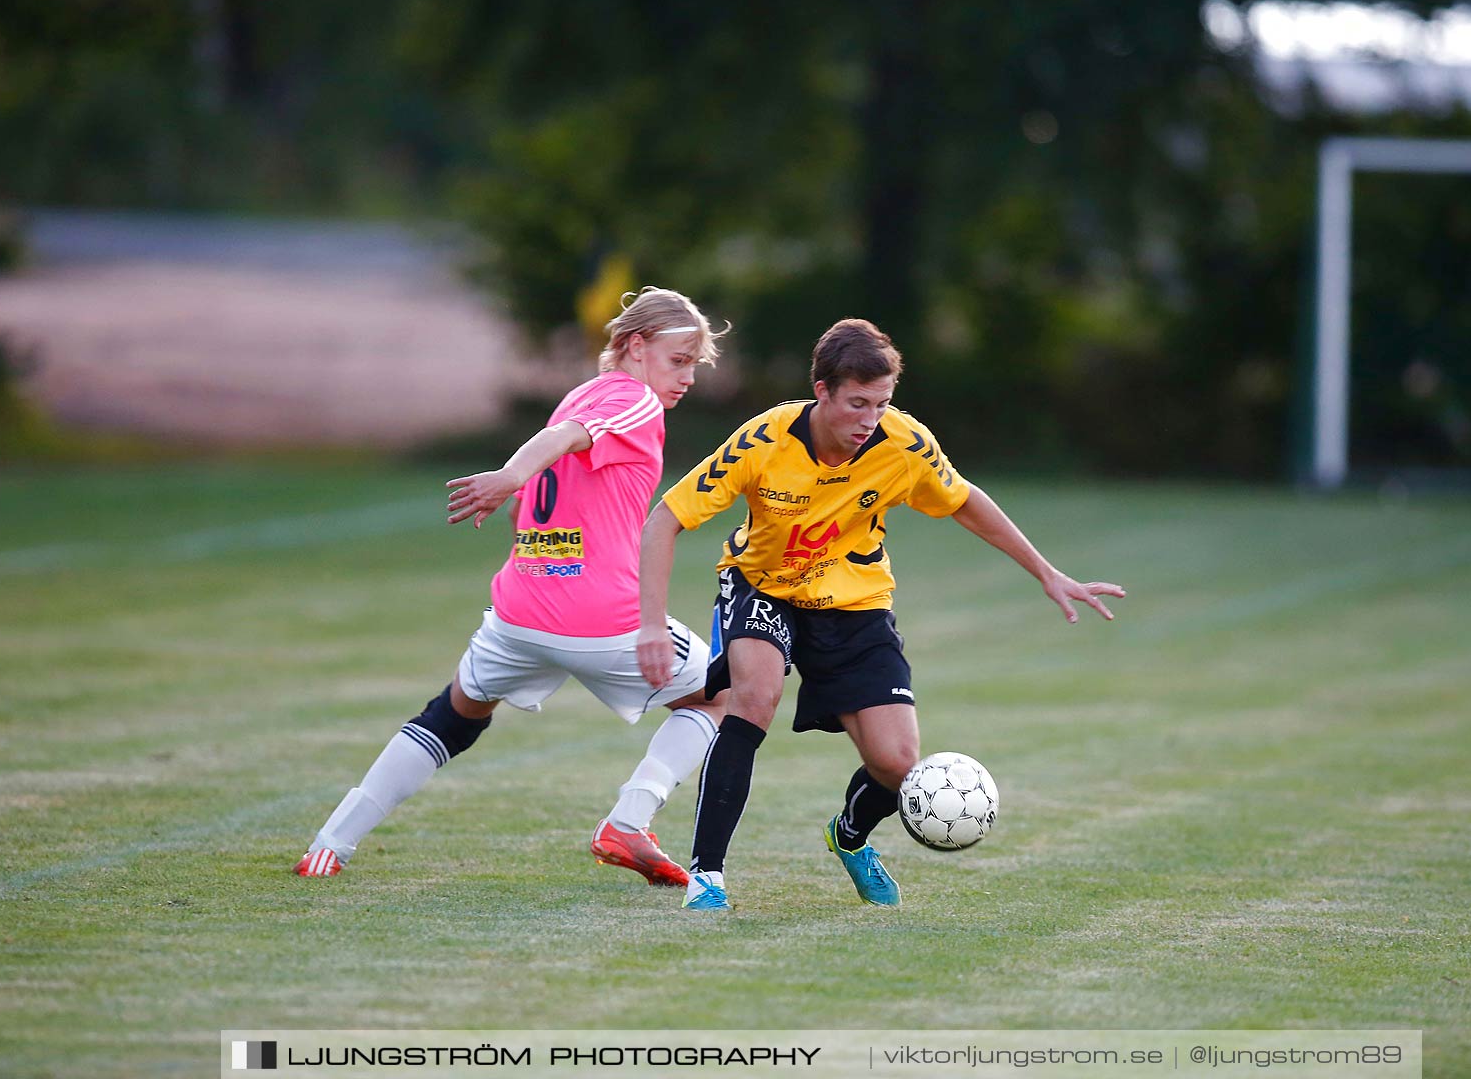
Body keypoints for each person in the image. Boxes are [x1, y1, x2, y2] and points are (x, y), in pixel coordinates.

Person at [636, 318, 1124, 910]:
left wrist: (1047, 572)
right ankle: (708, 877)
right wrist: (651, 623)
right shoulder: (764, 440)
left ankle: (849, 837)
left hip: (855, 604)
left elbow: (964, 499)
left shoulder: (904, 443)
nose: (870, 420)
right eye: (857, 403)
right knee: (754, 697)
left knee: (897, 764)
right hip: (763, 587)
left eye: (882, 403)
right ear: (822, 391)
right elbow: (666, 518)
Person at [295, 287, 729, 887]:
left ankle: (331, 842)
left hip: (519, 612)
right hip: (603, 619)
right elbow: (563, 443)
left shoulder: (579, 394)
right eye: (678, 360)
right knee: (718, 697)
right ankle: (630, 820)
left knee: (453, 714)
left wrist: (518, 494)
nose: (686, 378)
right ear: (635, 346)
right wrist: (510, 475)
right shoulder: (635, 403)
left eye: (692, 366)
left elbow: (546, 484)